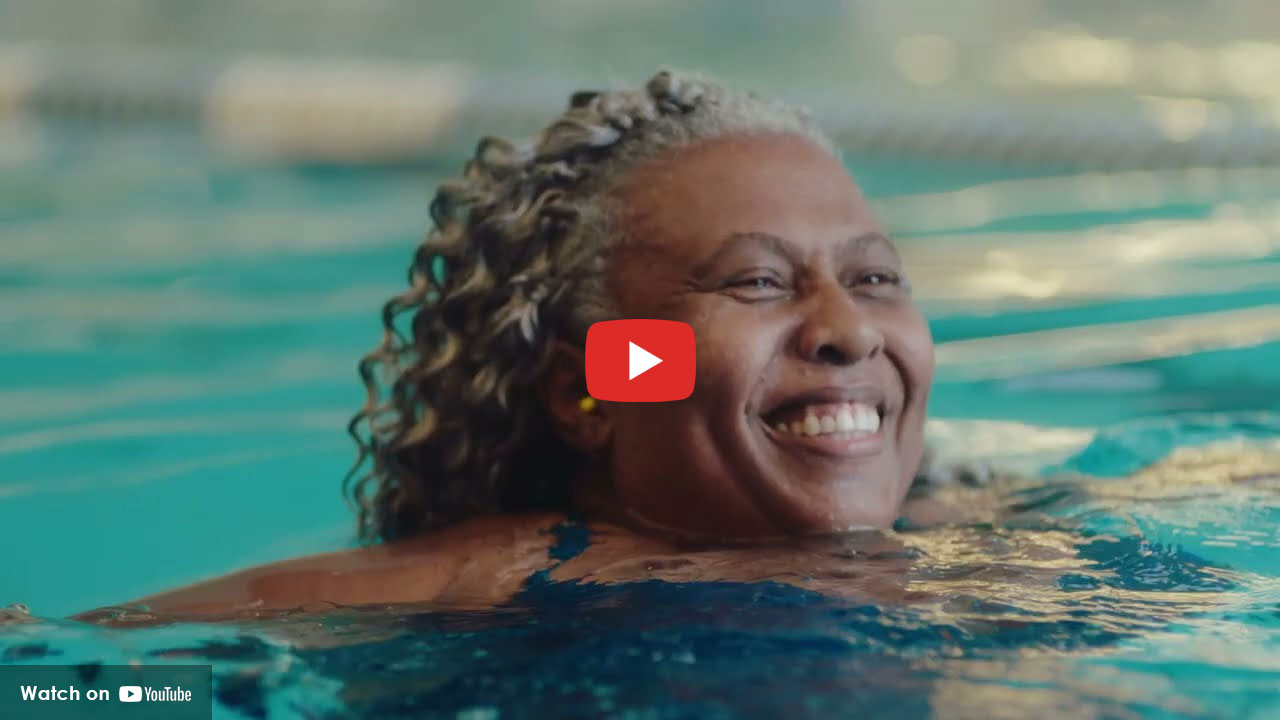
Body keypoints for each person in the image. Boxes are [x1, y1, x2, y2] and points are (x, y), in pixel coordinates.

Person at [75, 69, 950, 622]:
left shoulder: (998, 534)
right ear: (590, 393)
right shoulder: (476, 595)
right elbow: (61, 687)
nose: (849, 330)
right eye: (756, 282)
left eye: (875, 279)